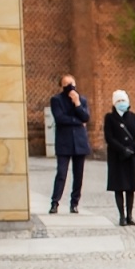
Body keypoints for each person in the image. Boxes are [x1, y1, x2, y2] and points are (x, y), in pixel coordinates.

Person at [49, 73, 90, 214]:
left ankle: (74, 202)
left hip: (79, 142)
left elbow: (86, 116)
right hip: (64, 142)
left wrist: (77, 103)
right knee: (61, 173)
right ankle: (55, 202)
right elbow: (60, 118)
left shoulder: (81, 100)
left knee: (78, 175)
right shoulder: (56, 100)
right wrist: (78, 122)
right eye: (67, 85)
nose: (70, 88)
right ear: (62, 86)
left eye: (72, 84)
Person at [103, 90, 135, 228]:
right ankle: (121, 215)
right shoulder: (110, 118)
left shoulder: (133, 117)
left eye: (123, 101)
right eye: (119, 101)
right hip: (117, 157)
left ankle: (130, 215)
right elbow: (109, 137)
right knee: (119, 187)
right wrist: (122, 149)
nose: (122, 103)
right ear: (114, 103)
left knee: (130, 187)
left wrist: (132, 149)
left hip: (131, 157)